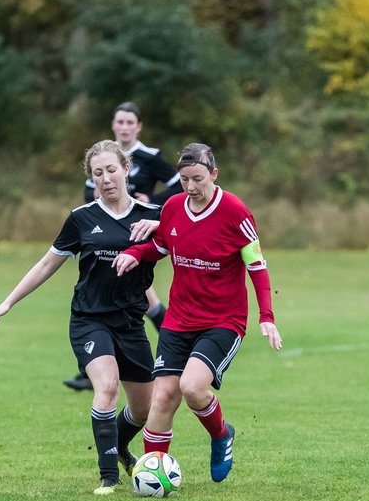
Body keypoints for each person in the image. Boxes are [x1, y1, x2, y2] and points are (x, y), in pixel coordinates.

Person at [0, 140, 160, 494]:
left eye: (112, 170)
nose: (106, 179)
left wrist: (159, 228)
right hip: (89, 319)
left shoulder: (154, 215)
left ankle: (120, 445)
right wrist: (8, 302)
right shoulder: (82, 219)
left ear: (126, 169)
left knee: (143, 410)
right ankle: (108, 476)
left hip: (131, 322)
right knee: (107, 386)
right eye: (98, 173)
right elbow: (47, 263)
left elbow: (193, 240)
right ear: (91, 179)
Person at [113, 143, 283, 482]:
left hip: (223, 321)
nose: (190, 187)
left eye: (198, 179)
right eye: (184, 179)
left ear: (214, 174)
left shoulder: (236, 212)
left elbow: (258, 268)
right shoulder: (174, 206)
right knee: (162, 396)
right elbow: (160, 246)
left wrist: (266, 316)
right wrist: (136, 253)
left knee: (192, 386)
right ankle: (152, 476)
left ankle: (221, 435)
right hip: (179, 320)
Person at [64, 102, 176, 391]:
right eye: (120, 122)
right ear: (113, 125)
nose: (124, 127)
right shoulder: (101, 156)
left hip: (138, 237)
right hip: (106, 240)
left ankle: (170, 353)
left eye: (130, 122)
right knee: (122, 299)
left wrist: (154, 208)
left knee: (143, 301)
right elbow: (90, 197)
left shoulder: (149, 157)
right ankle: (97, 369)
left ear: (138, 127)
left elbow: (179, 185)